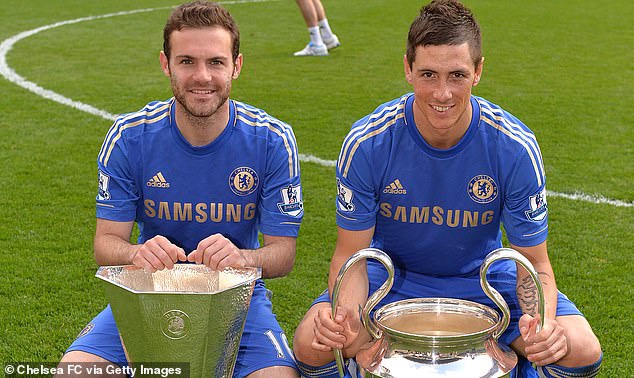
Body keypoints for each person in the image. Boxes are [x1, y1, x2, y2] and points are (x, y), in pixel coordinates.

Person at [292, 1, 602, 377]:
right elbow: (350, 257)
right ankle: (384, 360)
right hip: (390, 279)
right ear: (407, 69)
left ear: (478, 72)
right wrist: (345, 321)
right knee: (313, 344)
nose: (442, 93)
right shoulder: (369, 142)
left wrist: (542, 327)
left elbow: (534, 263)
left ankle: (511, 359)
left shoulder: (513, 147)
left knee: (577, 347)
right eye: (428, 74)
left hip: (484, 279)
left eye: (457, 75)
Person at [57, 2, 302, 377]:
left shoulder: (271, 140)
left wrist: (243, 257)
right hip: (148, 294)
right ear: (165, 63)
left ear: (236, 65)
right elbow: (105, 245)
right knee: (72, 372)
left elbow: (282, 255)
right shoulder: (129, 137)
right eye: (187, 61)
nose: (202, 76)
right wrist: (138, 252)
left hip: (237, 299)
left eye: (216, 62)